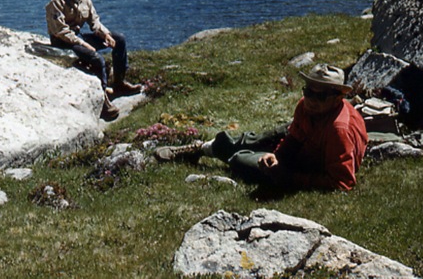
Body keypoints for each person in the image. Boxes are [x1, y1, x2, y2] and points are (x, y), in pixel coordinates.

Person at [155, 64, 368, 191]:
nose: (311, 99)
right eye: (308, 91)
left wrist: (289, 178)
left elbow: (342, 182)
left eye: (320, 95)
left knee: (240, 159)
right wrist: (278, 156)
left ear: (338, 96)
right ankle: (202, 148)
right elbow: (293, 138)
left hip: (310, 164)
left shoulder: (339, 130)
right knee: (259, 139)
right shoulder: (307, 107)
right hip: (304, 148)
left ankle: (221, 154)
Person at [45, 0, 142, 121]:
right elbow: (61, 31)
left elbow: (94, 22)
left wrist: (106, 35)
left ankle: (119, 83)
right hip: (63, 42)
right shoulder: (56, 2)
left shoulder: (86, 1)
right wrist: (84, 44)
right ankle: (103, 100)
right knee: (97, 59)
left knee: (119, 40)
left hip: (79, 37)